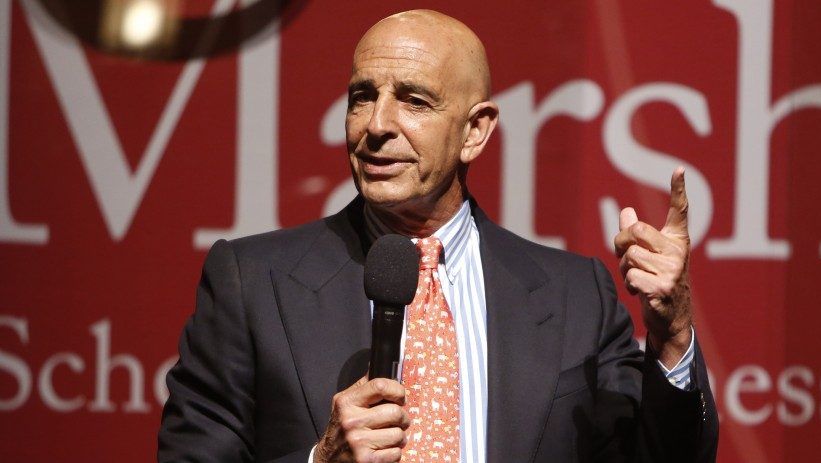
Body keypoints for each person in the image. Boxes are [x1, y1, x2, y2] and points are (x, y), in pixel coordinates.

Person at [158, 9, 718, 463]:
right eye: (362, 96)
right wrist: (319, 461)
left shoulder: (576, 297)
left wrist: (673, 333)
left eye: (413, 101)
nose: (377, 125)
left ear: (475, 131)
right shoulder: (252, 284)